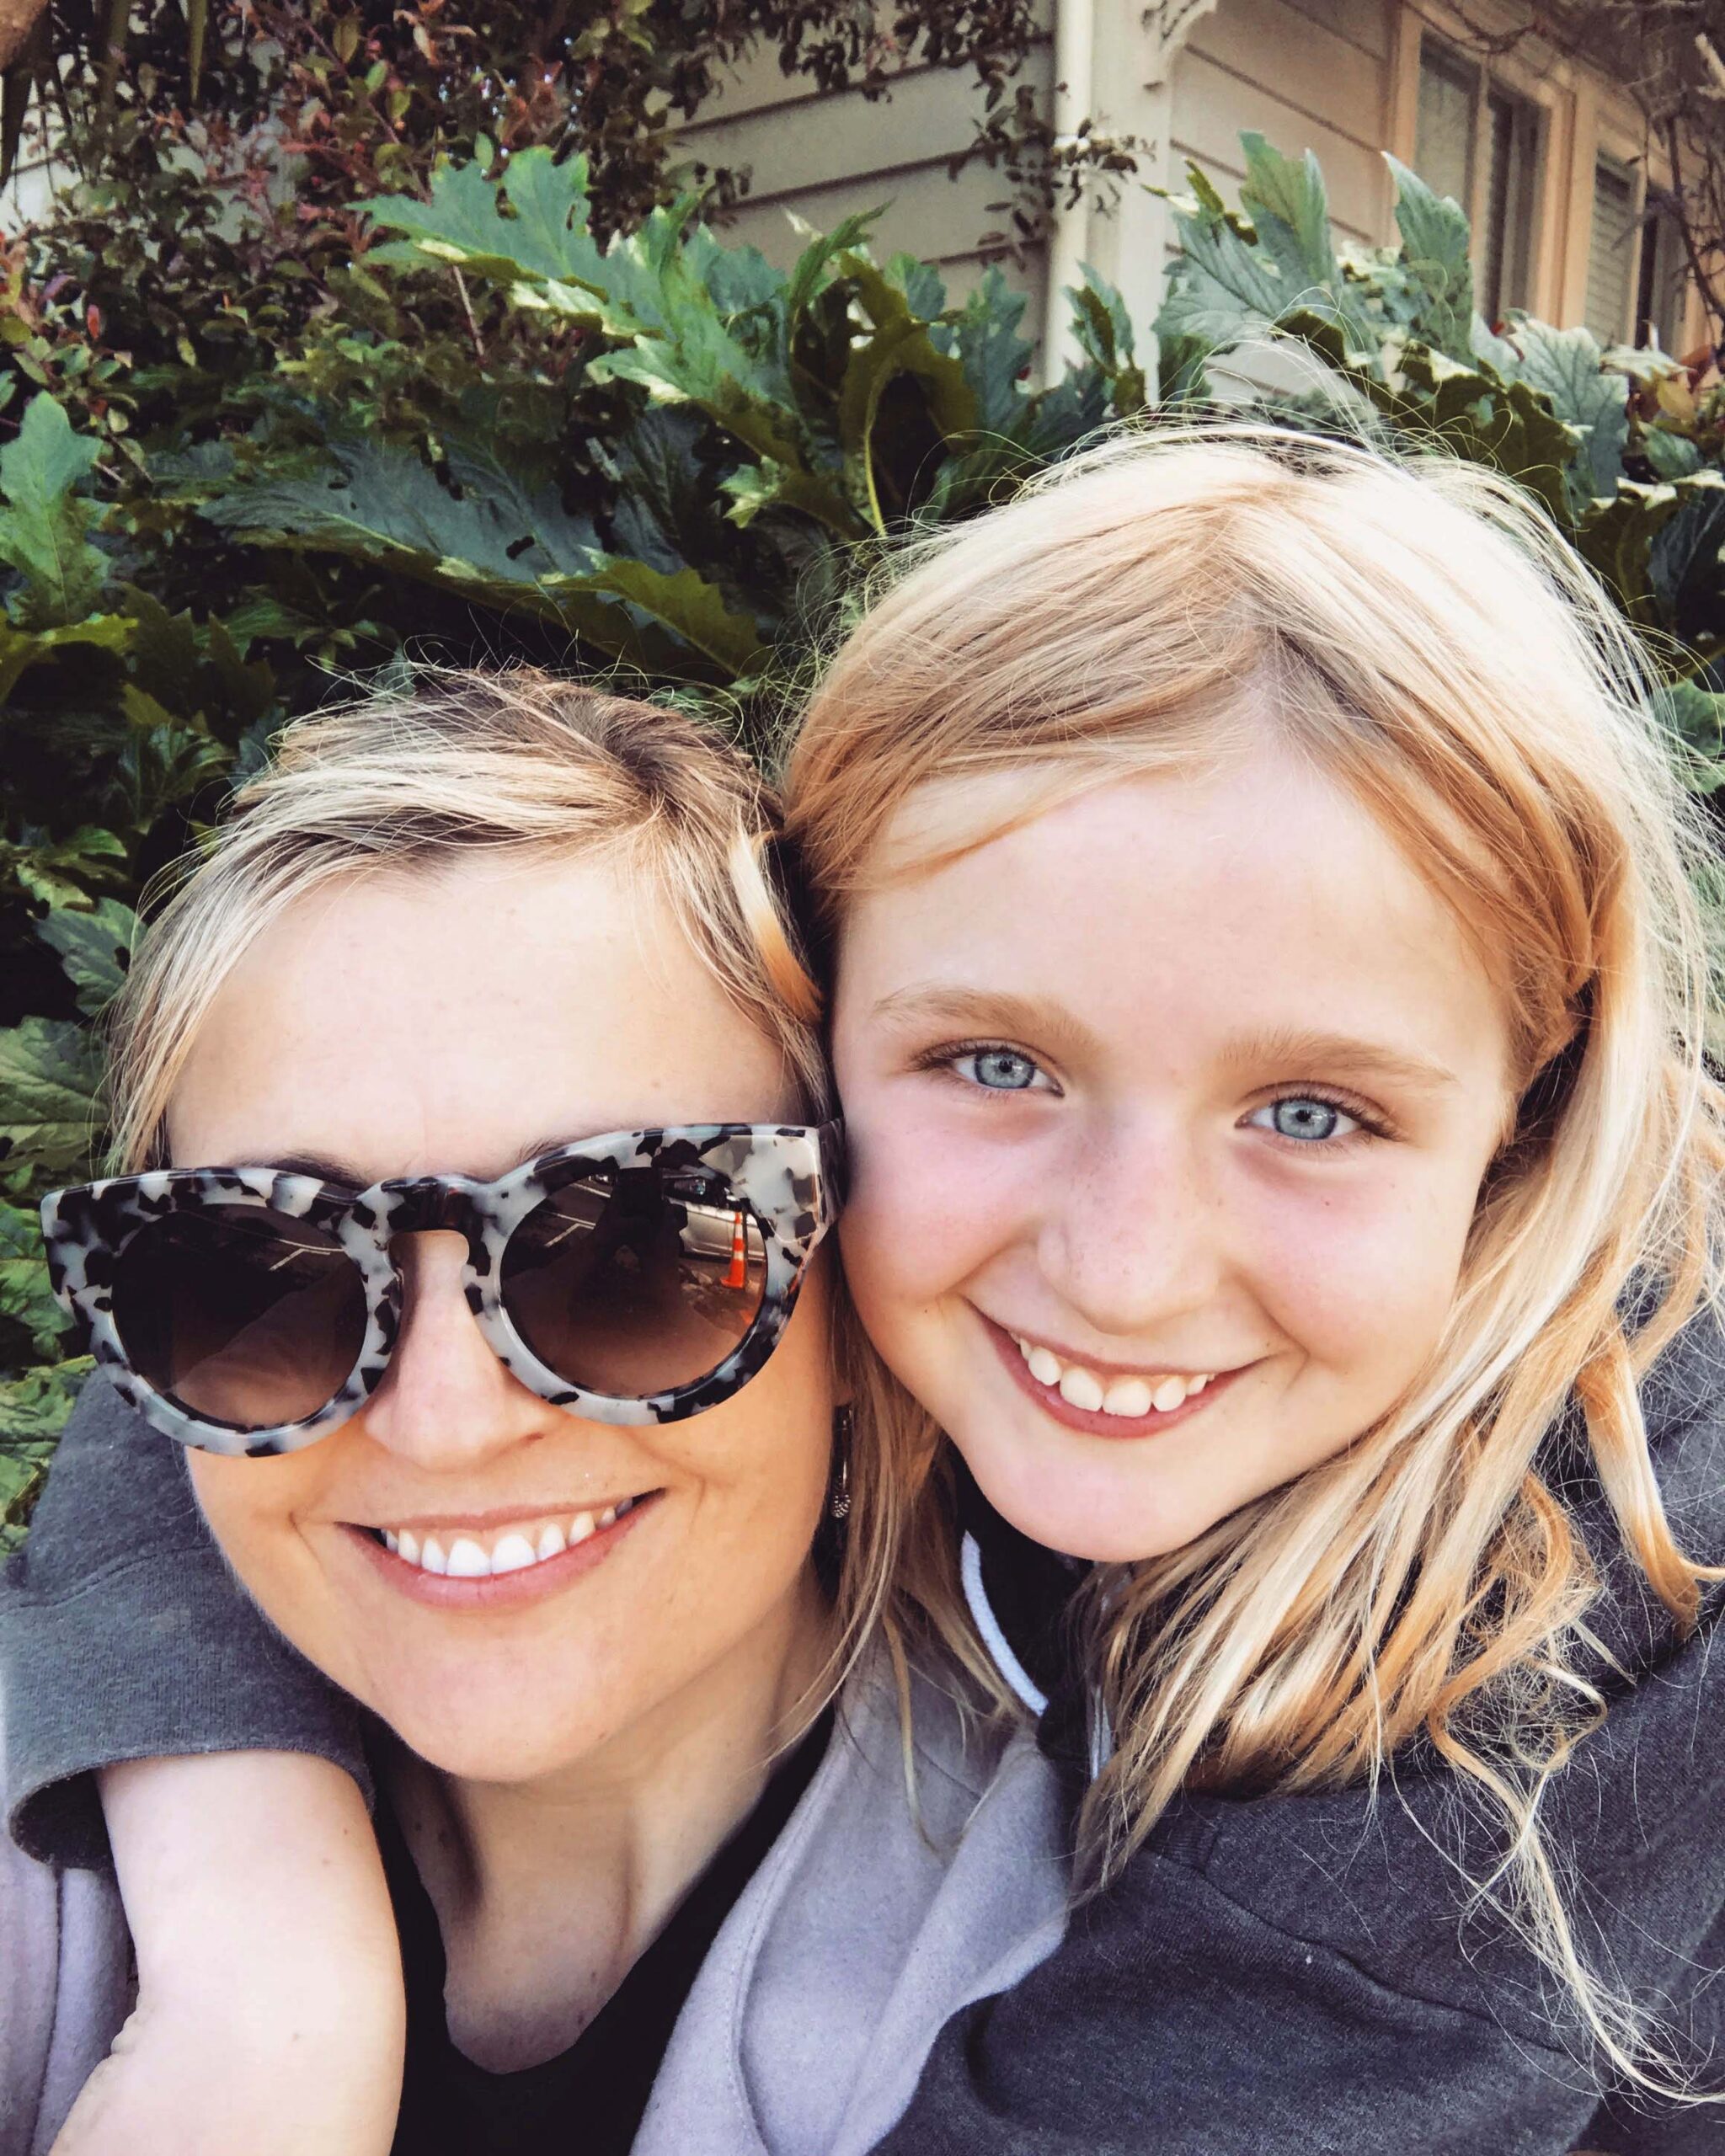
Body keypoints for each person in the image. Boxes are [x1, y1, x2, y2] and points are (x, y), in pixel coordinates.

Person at [8, 424, 1725, 2152]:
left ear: (1530, 1131)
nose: (1123, 1272)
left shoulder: (1538, 1695)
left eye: (624, 1241)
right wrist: (260, 1976)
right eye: (994, 1063)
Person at [0, 674, 1064, 2156]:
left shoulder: (1109, 1969)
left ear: (850, 1295)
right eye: (265, 1271)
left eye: (640, 1248)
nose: (444, 1423)